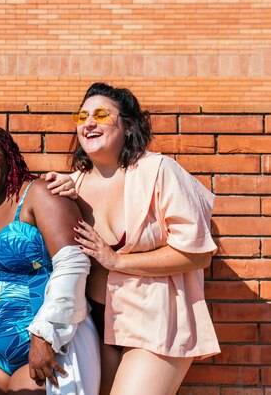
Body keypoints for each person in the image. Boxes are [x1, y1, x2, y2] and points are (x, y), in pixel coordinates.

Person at [69, 82, 220, 395]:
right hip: (95, 323)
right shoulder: (73, 184)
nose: (89, 123)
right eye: (81, 116)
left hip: (157, 319)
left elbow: (197, 253)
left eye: (100, 114)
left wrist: (117, 260)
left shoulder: (158, 171)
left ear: (127, 125)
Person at [0, 124, 100, 395]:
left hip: (47, 347)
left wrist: (46, 335)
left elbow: (73, 264)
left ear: (7, 152)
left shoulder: (40, 193)